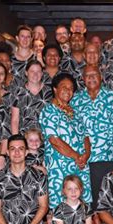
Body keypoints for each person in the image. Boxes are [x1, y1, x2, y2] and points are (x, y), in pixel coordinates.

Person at [39, 73, 92, 209]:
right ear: (55, 89)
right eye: (64, 87)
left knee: (82, 205)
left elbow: (85, 136)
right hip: (60, 166)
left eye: (71, 88)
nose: (68, 91)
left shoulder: (75, 112)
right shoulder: (49, 111)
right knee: (62, 206)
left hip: (80, 165)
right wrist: (77, 156)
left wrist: (85, 155)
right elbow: (54, 140)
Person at [72, 65, 113, 163]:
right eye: (87, 75)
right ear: (83, 79)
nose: (91, 77)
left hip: (110, 156)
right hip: (85, 159)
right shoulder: (75, 100)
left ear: (101, 77)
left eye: (94, 74)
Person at [10, 60, 52, 135]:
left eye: (38, 71)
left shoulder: (50, 92)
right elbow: (15, 120)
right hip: (24, 137)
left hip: (46, 136)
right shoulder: (18, 92)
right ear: (26, 73)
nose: (35, 74)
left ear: (42, 73)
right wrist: (16, 139)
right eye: (32, 71)